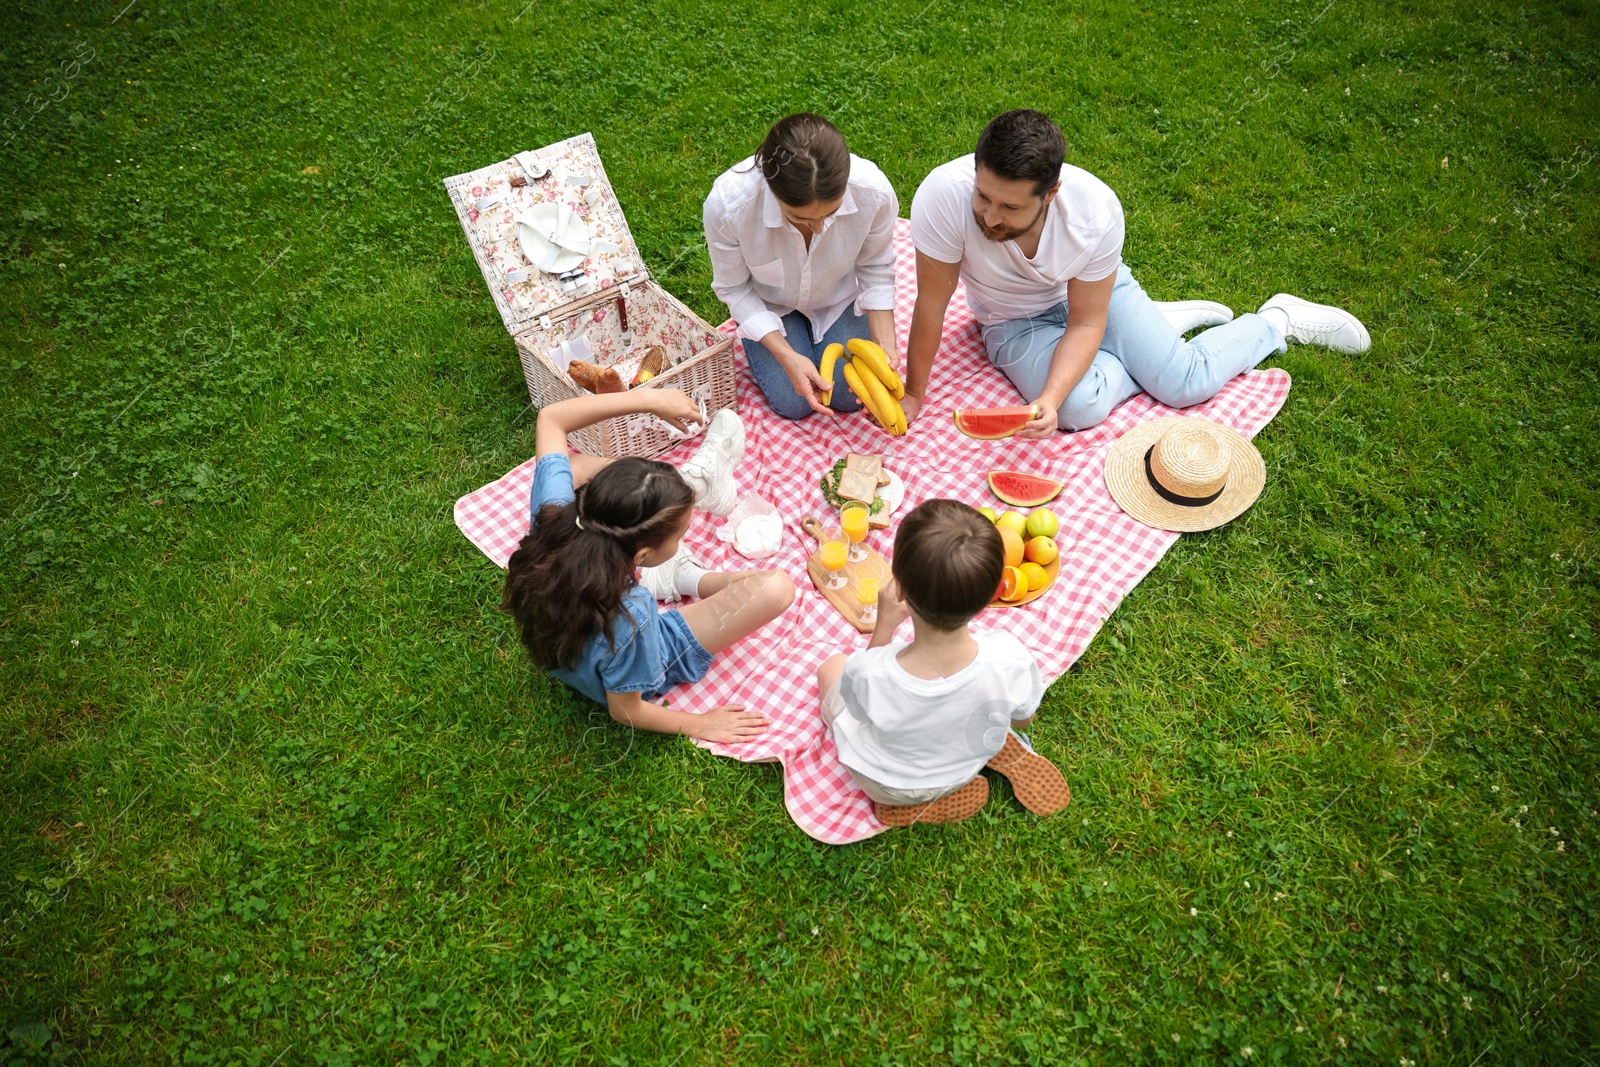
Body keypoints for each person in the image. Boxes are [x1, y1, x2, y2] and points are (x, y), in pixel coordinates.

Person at [901, 109, 1372, 436]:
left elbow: (1086, 321)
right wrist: (914, 395)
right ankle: (1147, 339)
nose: (989, 217)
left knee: (1185, 383)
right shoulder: (944, 196)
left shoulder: (1095, 211)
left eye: (1009, 206)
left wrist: (1089, 346)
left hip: (1087, 298)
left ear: (1051, 193)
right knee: (1074, 406)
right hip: (1011, 321)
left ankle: (1275, 321)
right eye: (983, 197)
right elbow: (931, 305)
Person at [503, 389, 794, 744]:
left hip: (576, 651)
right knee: (776, 587)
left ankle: (690, 489)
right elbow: (625, 709)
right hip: (647, 659)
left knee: (575, 466)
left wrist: (650, 400)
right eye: (680, 535)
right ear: (640, 557)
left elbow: (551, 418)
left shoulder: (553, 516)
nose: (683, 537)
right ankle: (682, 571)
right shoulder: (634, 617)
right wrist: (698, 724)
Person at [815, 499, 1070, 826]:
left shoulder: (869, 670)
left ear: (900, 589)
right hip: (963, 767)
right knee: (988, 715)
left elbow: (858, 712)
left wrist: (884, 627)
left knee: (831, 667)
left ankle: (910, 805)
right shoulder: (1008, 655)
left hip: (884, 785)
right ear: (994, 593)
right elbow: (1022, 719)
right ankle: (975, 761)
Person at [704, 113, 901, 420]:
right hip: (770, 306)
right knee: (795, 403)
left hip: (837, 297)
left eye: (831, 213)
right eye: (801, 218)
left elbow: (875, 268)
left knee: (849, 398)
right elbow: (734, 288)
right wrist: (787, 357)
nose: (820, 228)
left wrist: (885, 349)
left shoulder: (873, 192)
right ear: (772, 189)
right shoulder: (729, 207)